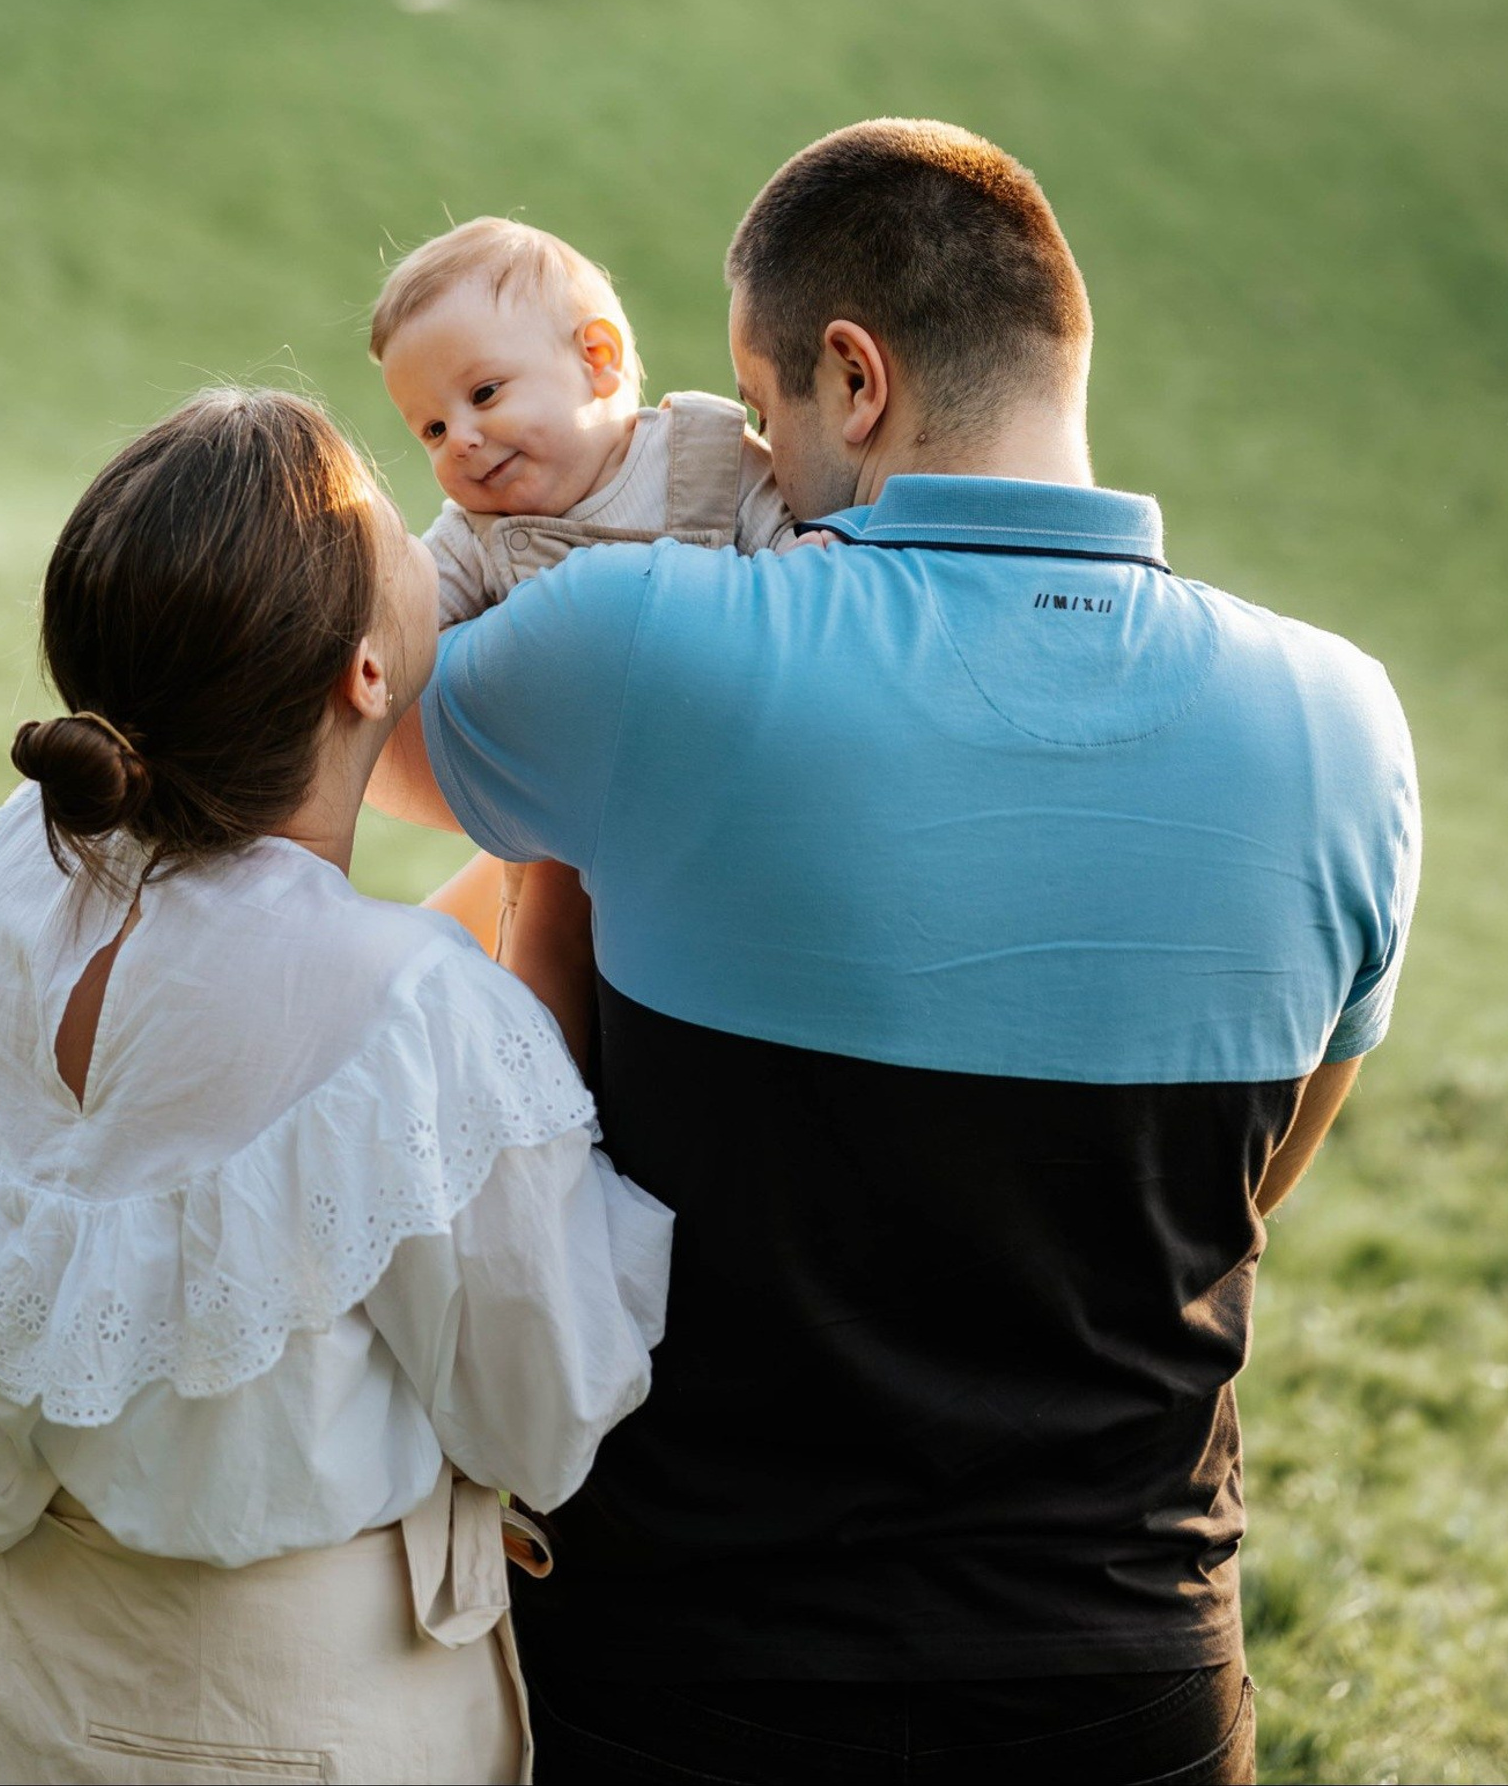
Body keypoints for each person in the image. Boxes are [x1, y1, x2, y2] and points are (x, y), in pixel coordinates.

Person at [367, 119, 1420, 1783]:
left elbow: (360, 721)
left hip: (694, 1671)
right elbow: (1258, 1181)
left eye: (762, 409)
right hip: (1126, 1679)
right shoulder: (1347, 723)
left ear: (851, 382)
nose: (756, 462)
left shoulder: (642, 646)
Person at [0, 387, 672, 1785]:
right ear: (363, 673)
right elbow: (550, 1407)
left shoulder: (5, 870)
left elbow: (258, 984)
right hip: (275, 1726)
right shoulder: (414, 1010)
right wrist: (566, 887)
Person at [371, 216, 799, 1047]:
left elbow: (781, 526)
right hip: (571, 822)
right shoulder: (474, 534)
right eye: (430, 429)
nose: (460, 438)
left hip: (716, 775)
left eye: (484, 394)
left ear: (596, 360)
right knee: (541, 938)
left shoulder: (702, 452)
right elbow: (406, 617)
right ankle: (544, 1100)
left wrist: (794, 552)